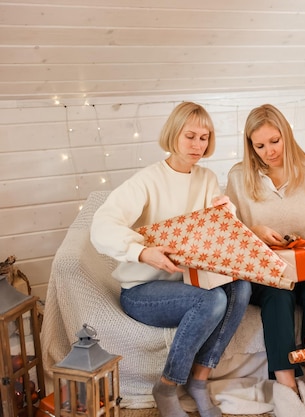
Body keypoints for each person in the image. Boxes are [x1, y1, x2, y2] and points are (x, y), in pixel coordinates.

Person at [90, 101, 252, 417]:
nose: (197, 145)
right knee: (212, 301)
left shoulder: (206, 178)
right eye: (190, 136)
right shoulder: (147, 180)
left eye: (204, 138)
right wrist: (142, 251)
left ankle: (199, 381)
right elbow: (101, 225)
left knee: (241, 287)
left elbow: (212, 235)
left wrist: (226, 215)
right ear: (173, 135)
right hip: (142, 293)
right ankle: (166, 386)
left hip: (187, 283)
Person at [225, 104, 305, 417]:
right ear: (250, 145)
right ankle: (287, 387)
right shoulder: (239, 177)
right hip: (265, 268)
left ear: (286, 136)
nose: (269, 152)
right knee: (277, 296)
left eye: (274, 142)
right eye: (259, 145)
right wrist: (255, 230)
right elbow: (231, 230)